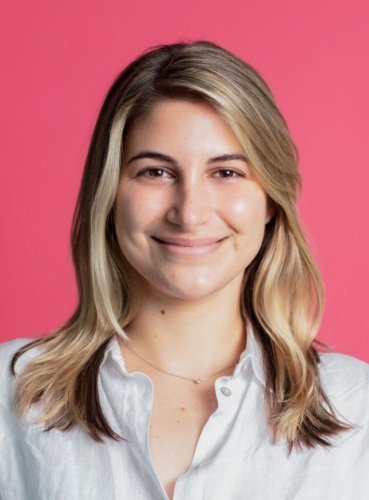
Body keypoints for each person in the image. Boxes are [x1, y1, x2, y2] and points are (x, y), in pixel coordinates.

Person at [0, 41, 368, 500]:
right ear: (109, 194)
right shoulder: (8, 392)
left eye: (227, 172)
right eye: (156, 172)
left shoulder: (357, 408)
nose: (190, 213)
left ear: (272, 199)